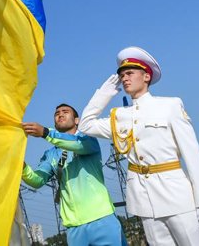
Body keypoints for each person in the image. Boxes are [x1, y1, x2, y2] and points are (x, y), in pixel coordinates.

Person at [78, 46, 199, 246]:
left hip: (177, 196)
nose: (124, 78)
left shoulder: (170, 105)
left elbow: (192, 154)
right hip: (144, 201)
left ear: (146, 76)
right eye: (122, 75)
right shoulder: (120, 116)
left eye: (130, 73)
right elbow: (86, 124)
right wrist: (105, 92)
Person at [21, 104, 126, 246]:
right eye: (57, 113)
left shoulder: (88, 139)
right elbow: (37, 180)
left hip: (102, 220)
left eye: (65, 112)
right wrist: (22, 167)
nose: (60, 114)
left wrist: (46, 133)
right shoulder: (51, 154)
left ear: (77, 120)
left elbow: (76, 145)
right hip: (74, 227)